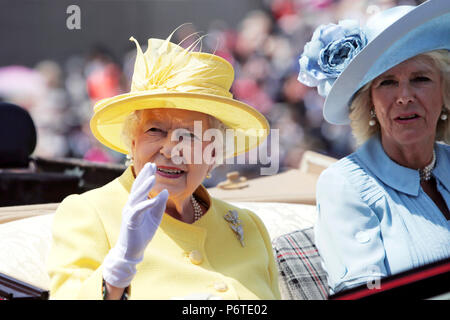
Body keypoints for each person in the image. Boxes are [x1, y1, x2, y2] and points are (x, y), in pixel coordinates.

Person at [47, 31, 281, 300]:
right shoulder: (89, 213)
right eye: (155, 130)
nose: (170, 149)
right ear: (132, 143)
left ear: (213, 153)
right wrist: (116, 272)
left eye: (190, 135)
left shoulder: (248, 226)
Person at [297, 0, 450, 294]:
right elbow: (362, 289)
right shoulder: (345, 185)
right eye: (387, 83)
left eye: (420, 79)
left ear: (444, 93)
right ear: (370, 103)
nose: (404, 96)